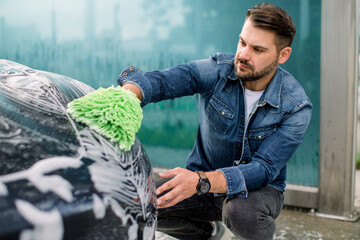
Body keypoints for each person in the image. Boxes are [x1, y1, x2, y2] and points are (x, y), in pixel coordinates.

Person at [118, 3, 312, 240]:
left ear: (283, 55)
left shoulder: (296, 106)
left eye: (258, 50)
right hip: (201, 182)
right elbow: (165, 81)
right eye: (242, 42)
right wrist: (128, 95)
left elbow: (263, 169)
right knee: (136, 200)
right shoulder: (218, 71)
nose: (243, 55)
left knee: (241, 212)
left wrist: (201, 181)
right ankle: (206, 232)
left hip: (257, 193)